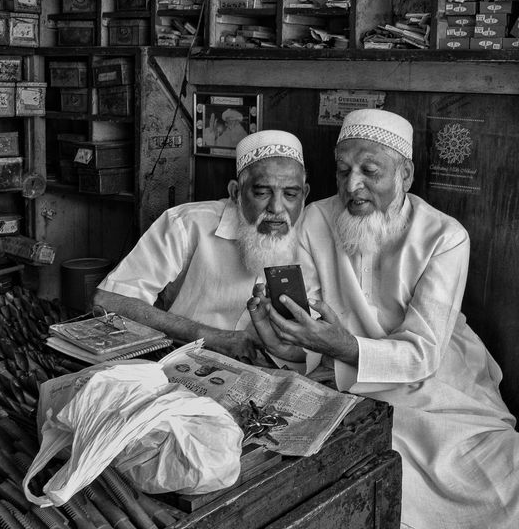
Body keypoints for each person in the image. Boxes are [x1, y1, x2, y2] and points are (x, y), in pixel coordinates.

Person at [249, 109, 519, 529]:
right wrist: (280, 340)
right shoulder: (315, 219)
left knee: (498, 479)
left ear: (405, 174)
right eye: (342, 171)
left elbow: (424, 351)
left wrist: (343, 345)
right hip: (344, 381)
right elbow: (308, 337)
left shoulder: (444, 236)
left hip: (437, 381)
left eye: (369, 171)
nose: (351, 185)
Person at [93, 130, 310, 360]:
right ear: (236, 193)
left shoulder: (313, 238)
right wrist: (209, 336)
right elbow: (108, 300)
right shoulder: (187, 224)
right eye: (263, 192)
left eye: (290, 194)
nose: (276, 208)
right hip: (185, 360)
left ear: (304, 195)